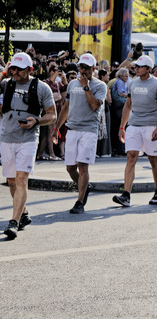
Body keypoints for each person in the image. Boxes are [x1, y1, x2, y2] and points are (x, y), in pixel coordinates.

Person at [2, 53, 57, 239]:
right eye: (13, 69)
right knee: (11, 181)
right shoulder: (6, 83)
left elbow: (52, 115)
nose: (15, 72)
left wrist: (37, 121)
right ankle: (23, 213)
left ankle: (13, 222)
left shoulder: (42, 88)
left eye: (19, 69)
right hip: (7, 138)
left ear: (30, 70)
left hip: (27, 139)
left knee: (20, 180)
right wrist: (3, 72)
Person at [51, 53, 107, 213]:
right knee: (70, 168)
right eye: (81, 67)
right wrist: (56, 128)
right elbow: (66, 107)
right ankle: (85, 186)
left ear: (93, 69)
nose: (83, 70)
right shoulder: (72, 85)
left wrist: (86, 86)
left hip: (88, 130)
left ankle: (80, 201)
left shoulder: (100, 86)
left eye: (86, 68)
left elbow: (95, 106)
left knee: (83, 166)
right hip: (72, 129)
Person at [112, 55, 157, 207]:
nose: (136, 68)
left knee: (153, 159)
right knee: (131, 156)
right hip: (134, 125)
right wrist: (122, 126)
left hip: (152, 125)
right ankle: (126, 195)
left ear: (149, 69)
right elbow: (128, 105)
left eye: (139, 66)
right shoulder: (133, 83)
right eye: (136, 66)